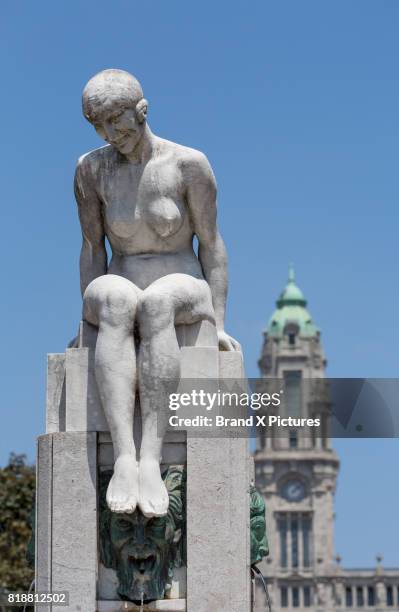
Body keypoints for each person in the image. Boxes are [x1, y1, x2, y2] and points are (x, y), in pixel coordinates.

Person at [75, 69, 240, 518]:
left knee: (157, 302)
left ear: (141, 110)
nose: (111, 133)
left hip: (183, 282)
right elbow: (93, 248)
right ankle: (124, 458)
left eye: (116, 120)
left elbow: (212, 245)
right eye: (99, 125)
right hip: (121, 276)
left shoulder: (188, 164)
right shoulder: (91, 169)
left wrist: (219, 323)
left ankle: (151, 456)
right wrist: (82, 318)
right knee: (115, 300)